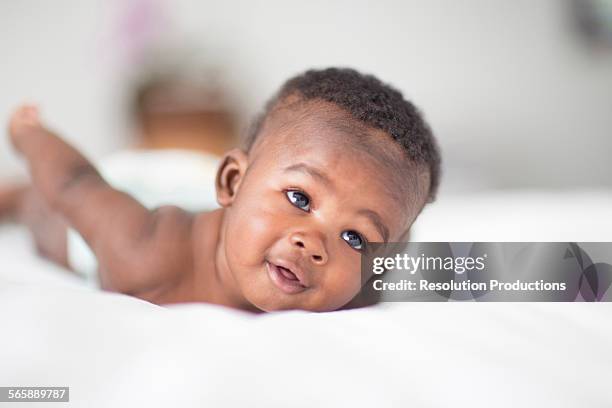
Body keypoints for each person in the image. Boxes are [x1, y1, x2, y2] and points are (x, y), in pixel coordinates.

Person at [4, 68, 441, 312]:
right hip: (120, 192)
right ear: (232, 182)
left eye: (354, 236)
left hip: (221, 195)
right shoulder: (147, 253)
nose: (314, 245)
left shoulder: (356, 285)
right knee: (45, 213)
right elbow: (74, 182)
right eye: (301, 199)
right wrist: (29, 135)